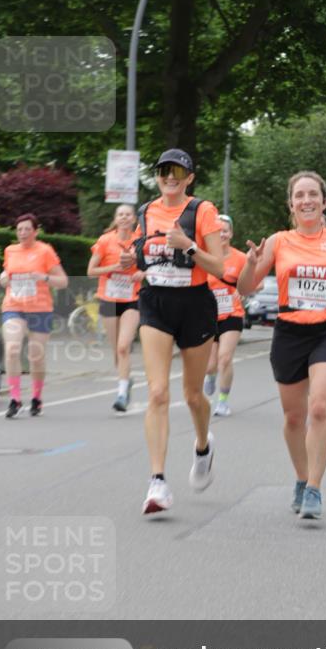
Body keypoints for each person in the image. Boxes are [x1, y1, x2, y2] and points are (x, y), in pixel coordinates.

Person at [237, 170, 326, 521]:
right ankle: (301, 480)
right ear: (291, 204)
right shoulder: (278, 242)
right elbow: (246, 288)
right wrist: (250, 264)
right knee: (293, 417)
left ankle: (315, 488)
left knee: (319, 408)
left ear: (324, 201)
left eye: (313, 195)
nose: (306, 201)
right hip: (289, 332)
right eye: (299, 195)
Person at [136, 149, 224, 516]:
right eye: (163, 171)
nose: (169, 176)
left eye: (177, 171)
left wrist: (188, 246)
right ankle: (158, 481)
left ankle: (203, 445)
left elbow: (218, 265)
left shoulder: (202, 211)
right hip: (155, 301)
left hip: (195, 305)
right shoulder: (146, 212)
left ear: (189, 177)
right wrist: (133, 260)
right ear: (157, 176)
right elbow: (145, 257)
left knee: (192, 395)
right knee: (157, 392)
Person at [0, 213, 68, 418]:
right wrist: (3, 278)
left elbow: (63, 281)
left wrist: (44, 277)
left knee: (35, 356)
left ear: (35, 231)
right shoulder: (10, 251)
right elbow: (5, 275)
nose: (22, 233)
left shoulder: (45, 251)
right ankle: (15, 399)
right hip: (14, 305)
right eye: (19, 229)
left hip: (40, 308)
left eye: (27, 229)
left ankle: (36, 398)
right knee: (12, 350)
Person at [87, 204, 144, 412]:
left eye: (128, 214)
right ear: (116, 218)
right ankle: (126, 381)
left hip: (131, 299)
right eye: (120, 214)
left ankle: (121, 393)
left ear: (133, 219)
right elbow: (91, 271)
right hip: (109, 300)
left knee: (123, 347)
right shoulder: (105, 241)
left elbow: (153, 264)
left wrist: (142, 274)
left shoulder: (140, 241)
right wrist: (113, 268)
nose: (124, 217)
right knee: (116, 353)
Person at [204, 214, 246, 417]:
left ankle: (222, 402)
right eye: (217, 230)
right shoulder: (205, 258)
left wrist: (243, 290)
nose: (222, 234)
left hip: (232, 313)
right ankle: (210, 376)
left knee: (225, 358)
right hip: (210, 316)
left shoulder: (240, 258)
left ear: (231, 233)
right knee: (210, 365)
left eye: (225, 230)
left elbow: (256, 281)